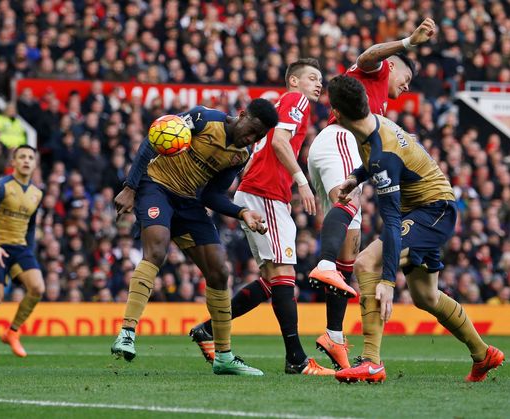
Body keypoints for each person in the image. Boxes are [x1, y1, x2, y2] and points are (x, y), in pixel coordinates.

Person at [327, 75, 505, 383]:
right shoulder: (373, 124)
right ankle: (483, 353)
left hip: (433, 210)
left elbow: (393, 222)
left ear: (337, 114)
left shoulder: (383, 154)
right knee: (425, 296)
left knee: (367, 262)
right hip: (428, 208)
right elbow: (377, 162)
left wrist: (387, 281)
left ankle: (371, 361)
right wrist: (356, 178)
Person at [111, 99, 279, 376]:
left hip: (189, 202)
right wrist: (130, 187)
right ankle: (127, 333)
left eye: (260, 136)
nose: (253, 137)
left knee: (219, 271)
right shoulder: (203, 118)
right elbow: (153, 140)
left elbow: (212, 195)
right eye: (253, 129)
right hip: (156, 187)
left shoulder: (240, 156)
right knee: (156, 250)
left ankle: (223, 355)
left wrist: (242, 213)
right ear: (242, 115)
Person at [305, 18, 437, 370]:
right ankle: (324, 264)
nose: (406, 88)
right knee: (346, 209)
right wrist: (408, 41)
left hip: (329, 148)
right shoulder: (376, 72)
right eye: (405, 79)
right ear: (392, 67)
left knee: (352, 246)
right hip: (338, 140)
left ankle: (333, 336)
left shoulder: (378, 105)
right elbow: (367, 56)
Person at [189, 59, 334, 376]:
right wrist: (301, 180)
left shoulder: (286, 104)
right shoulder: (295, 100)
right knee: (283, 274)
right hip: (266, 191)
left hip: (260, 190)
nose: (318, 84)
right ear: (293, 81)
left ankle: (209, 330)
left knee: (272, 280)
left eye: (320, 79)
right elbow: (281, 142)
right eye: (311, 78)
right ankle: (296, 358)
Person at [0, 145, 44, 358]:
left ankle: (12, 332)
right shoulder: (1, 186)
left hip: (20, 248)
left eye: (30, 157)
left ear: (35, 163)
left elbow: (31, 226)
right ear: (13, 162)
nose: (26, 160)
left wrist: (29, 252)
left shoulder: (37, 193)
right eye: (21, 156)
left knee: (38, 288)